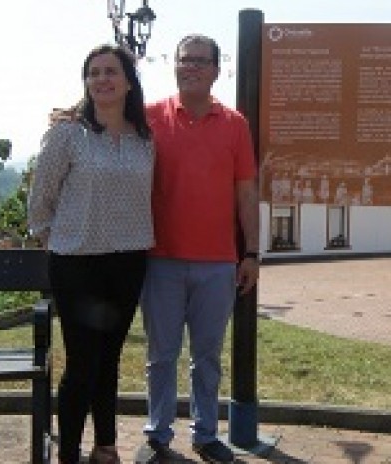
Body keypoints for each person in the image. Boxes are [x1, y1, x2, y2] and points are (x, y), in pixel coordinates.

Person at [28, 44, 154, 464]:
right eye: (93, 72)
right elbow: (41, 196)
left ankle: (105, 446)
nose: (102, 78)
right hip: (77, 263)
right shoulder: (68, 133)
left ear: (128, 81)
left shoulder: (144, 138)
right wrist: (54, 238)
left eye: (110, 71)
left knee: (110, 359)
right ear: (86, 82)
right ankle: (67, 454)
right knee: (82, 363)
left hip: (129, 261)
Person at [141, 34, 259, 464]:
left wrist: (252, 253)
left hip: (218, 263)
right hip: (160, 260)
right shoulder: (150, 116)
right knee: (161, 356)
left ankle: (206, 433)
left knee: (207, 356)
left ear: (215, 68)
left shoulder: (235, 124)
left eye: (198, 61)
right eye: (183, 60)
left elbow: (246, 193)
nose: (189, 67)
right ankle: (157, 434)